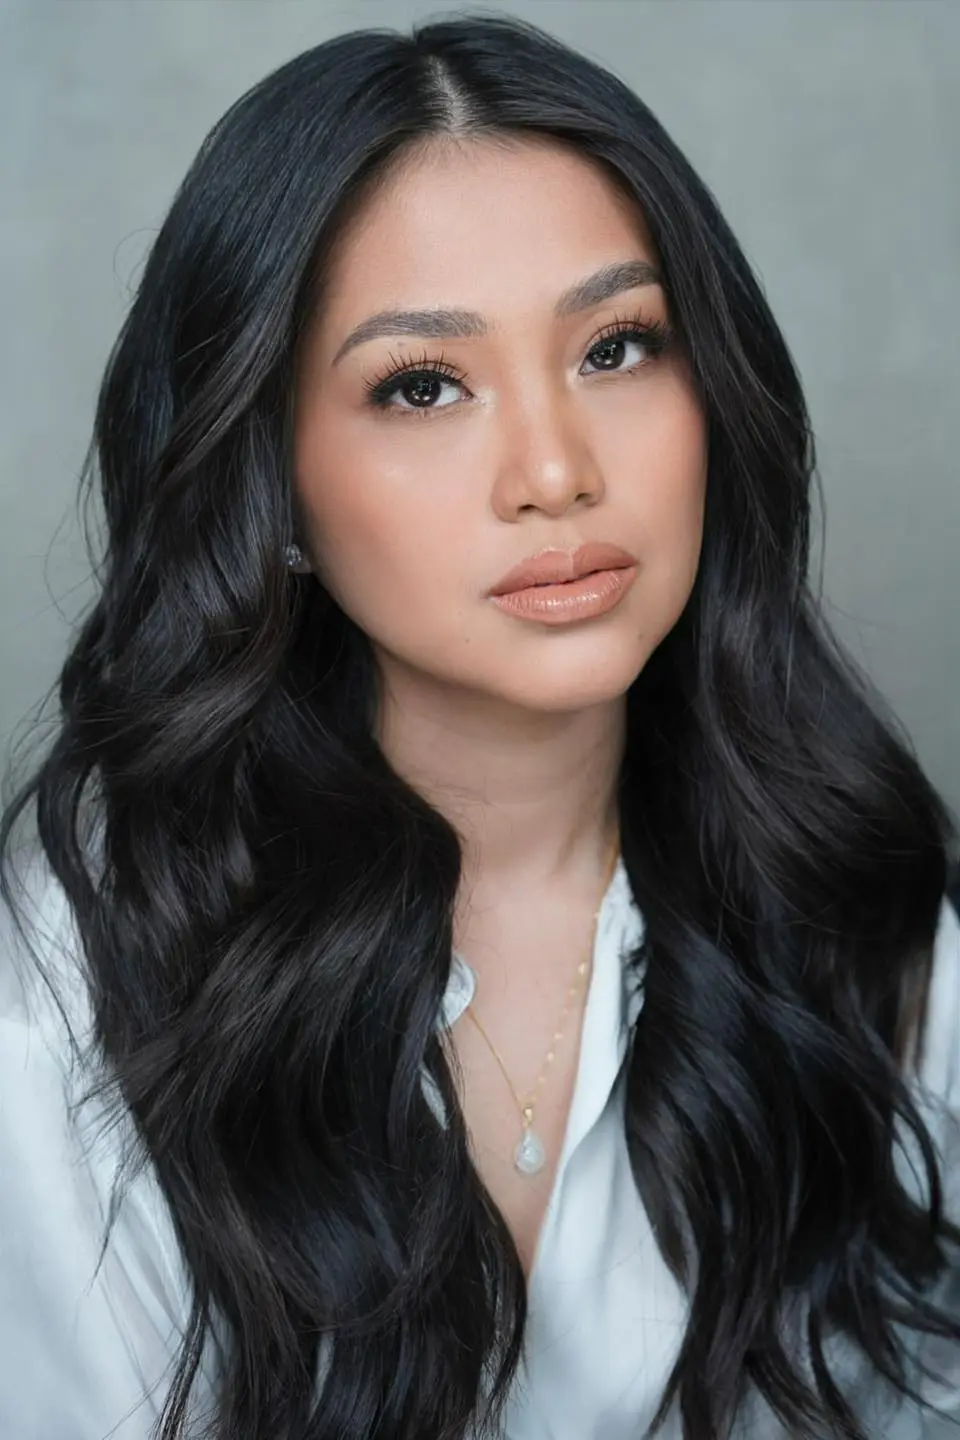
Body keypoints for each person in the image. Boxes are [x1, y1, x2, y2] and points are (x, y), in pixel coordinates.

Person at [1, 11, 958, 1440]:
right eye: (423, 385)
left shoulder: (858, 901)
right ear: (270, 490)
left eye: (618, 348)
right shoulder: (64, 1003)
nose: (555, 472)